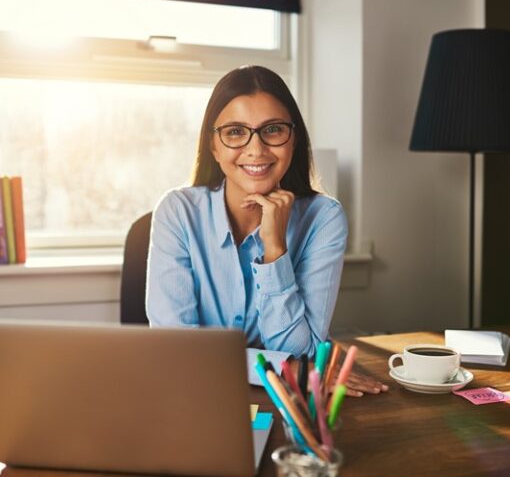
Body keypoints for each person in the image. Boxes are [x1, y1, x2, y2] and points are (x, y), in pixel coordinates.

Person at [146, 65, 386, 396]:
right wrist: (291, 369)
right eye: (234, 132)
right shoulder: (178, 212)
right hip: (197, 391)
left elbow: (300, 350)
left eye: (272, 130)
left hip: (289, 401)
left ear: (294, 139)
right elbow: (178, 352)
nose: (256, 149)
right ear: (213, 146)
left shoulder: (324, 217)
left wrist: (275, 250)